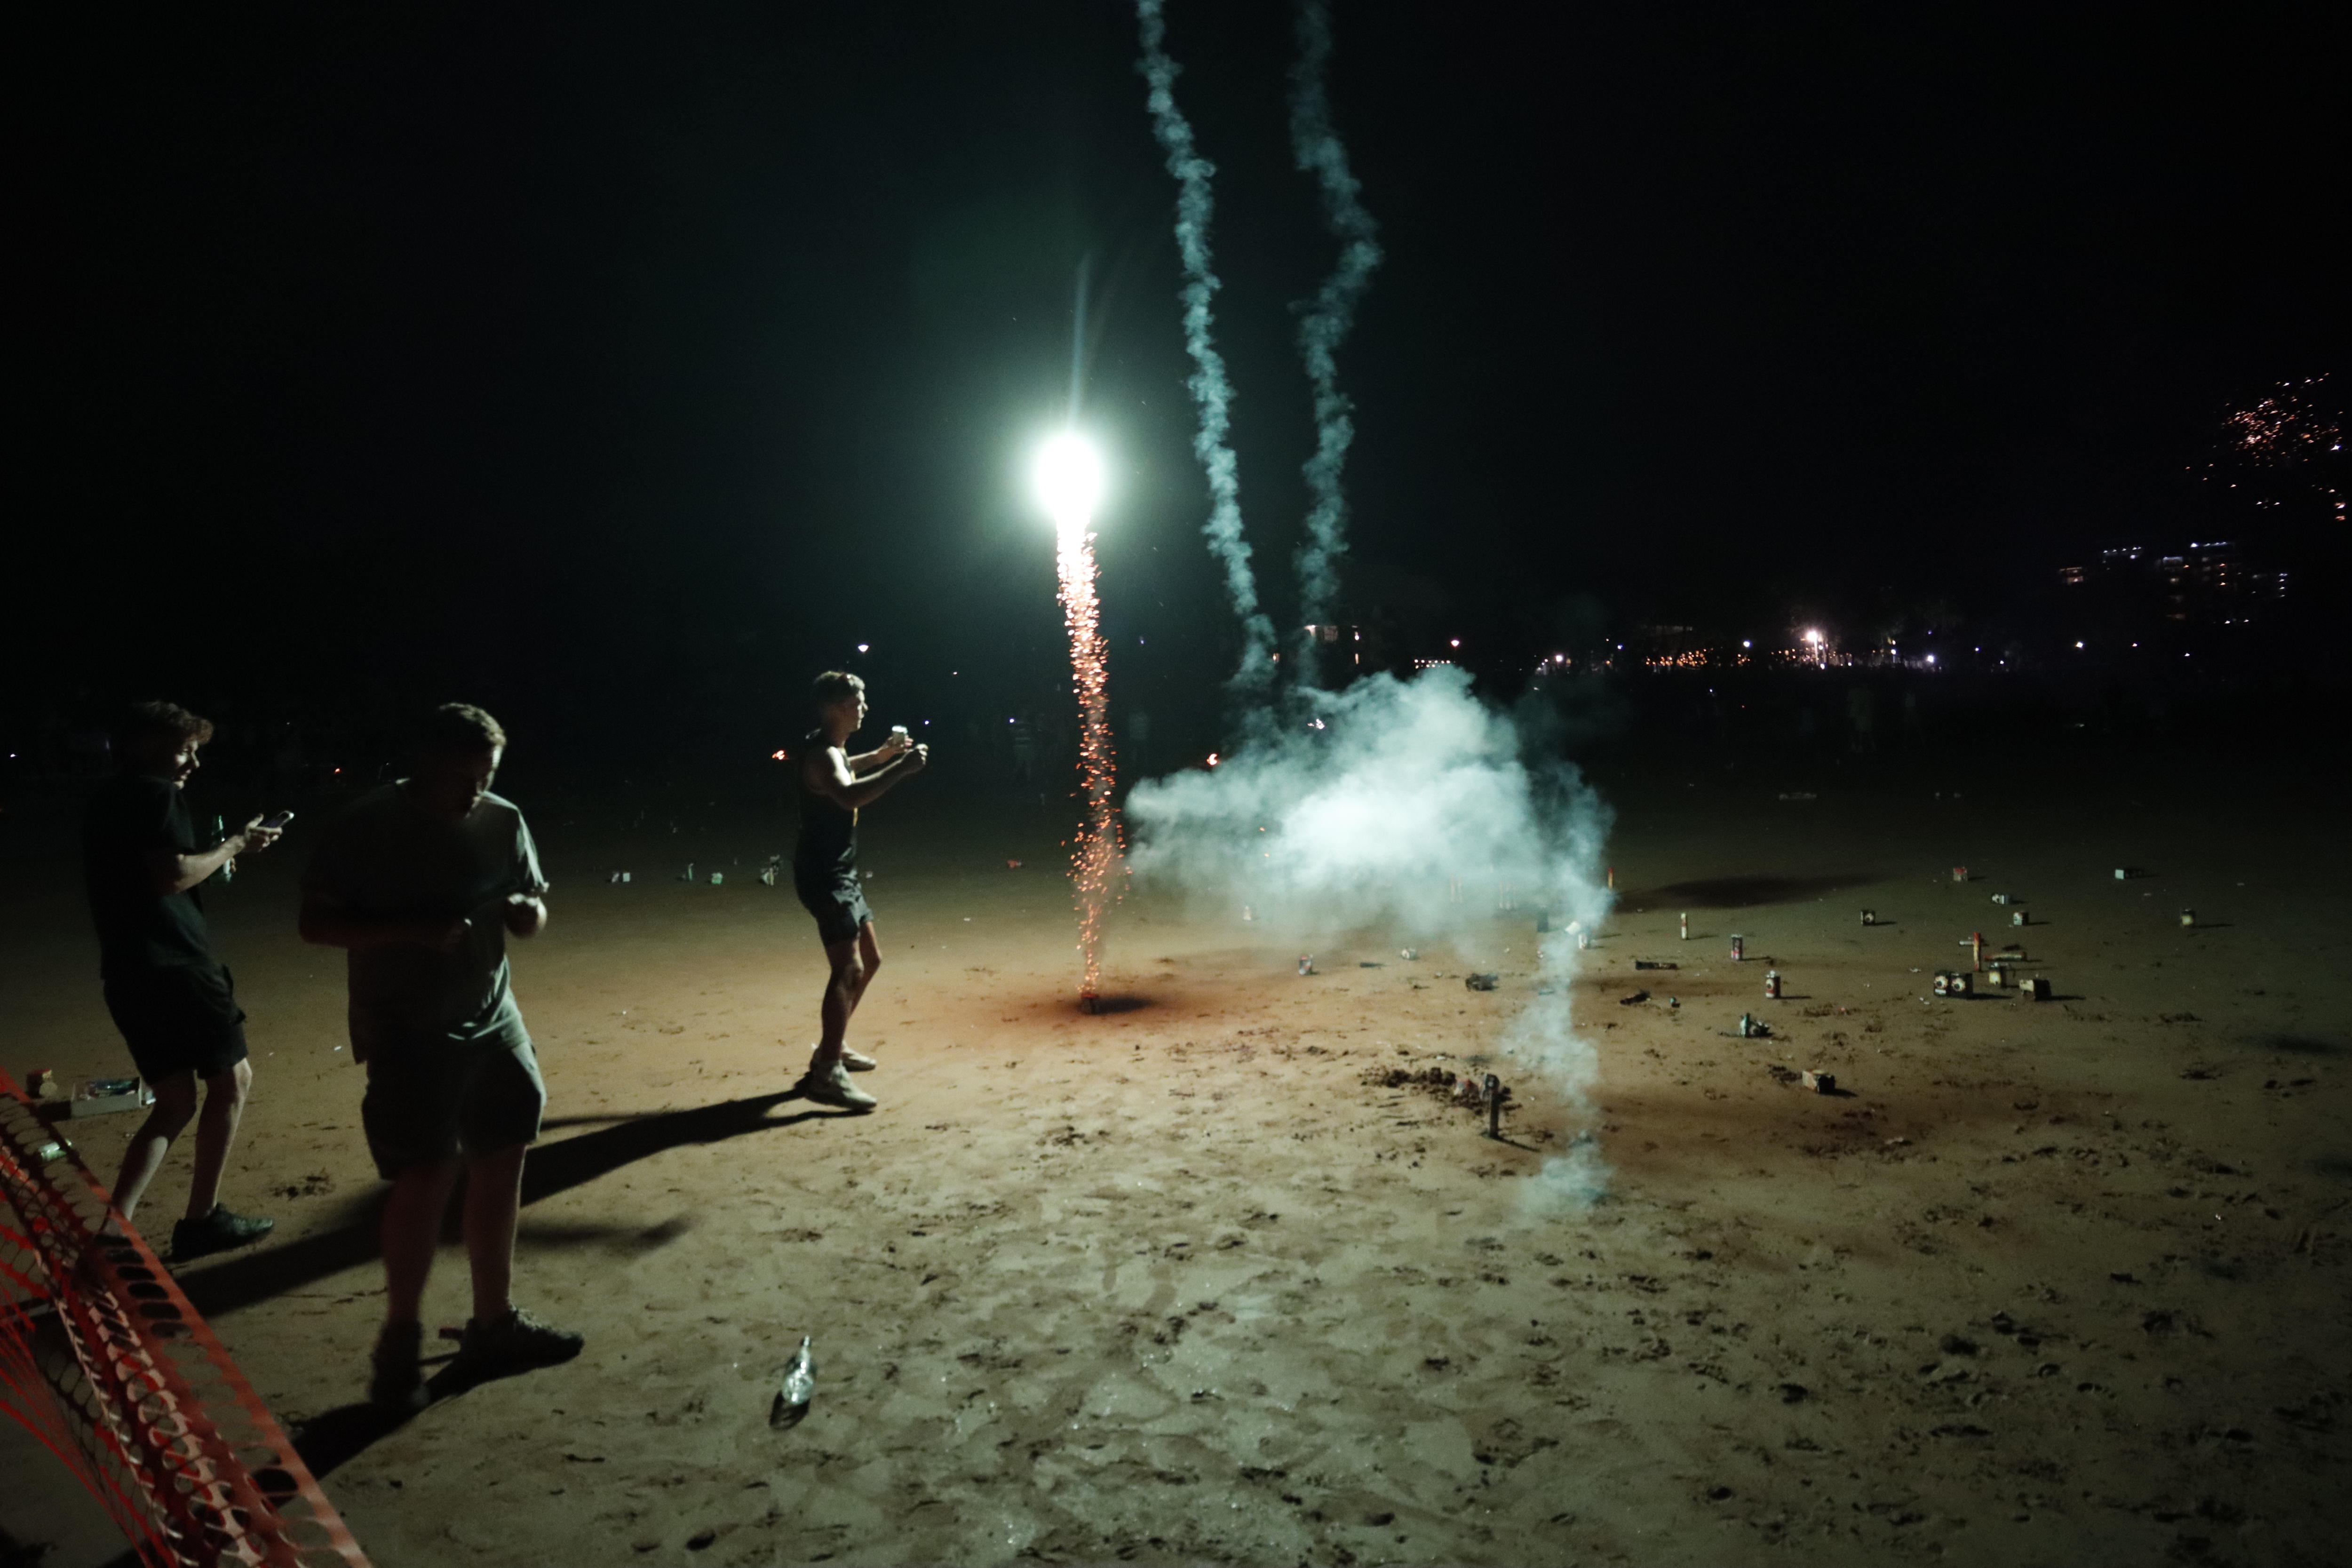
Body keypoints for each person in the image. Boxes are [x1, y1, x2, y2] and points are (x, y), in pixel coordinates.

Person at [299, 703, 580, 1409]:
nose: (477, 793)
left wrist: (527, 915)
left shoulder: (504, 819)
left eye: (488, 777)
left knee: (505, 1152)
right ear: (426, 766)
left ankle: (494, 1321)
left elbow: (537, 907)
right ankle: (400, 1336)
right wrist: (412, 931)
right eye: (466, 779)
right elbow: (315, 923)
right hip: (405, 1026)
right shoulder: (365, 827)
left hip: (495, 1018)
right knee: (426, 1176)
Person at [82, 700, 283, 1259]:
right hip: (177, 967)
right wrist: (235, 845)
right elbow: (172, 876)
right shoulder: (157, 795)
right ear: (147, 747)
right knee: (232, 1081)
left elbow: (150, 872)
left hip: (127, 971)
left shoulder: (105, 799)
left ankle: (112, 1232)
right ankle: (202, 1220)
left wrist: (215, 857)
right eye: (184, 749)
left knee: (173, 1101)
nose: (192, 762)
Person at [793, 671, 927, 1112]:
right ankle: (827, 1070)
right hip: (825, 877)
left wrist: (882, 755)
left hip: (840, 873)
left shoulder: (832, 748)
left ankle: (834, 1045)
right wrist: (900, 769)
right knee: (848, 968)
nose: (864, 707)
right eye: (857, 700)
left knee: (870, 960)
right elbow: (848, 795)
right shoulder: (822, 753)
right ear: (835, 707)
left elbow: (849, 767)